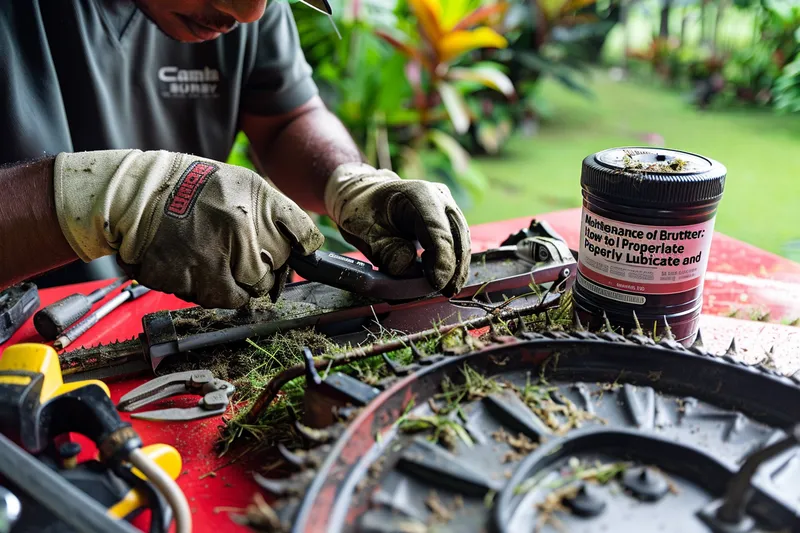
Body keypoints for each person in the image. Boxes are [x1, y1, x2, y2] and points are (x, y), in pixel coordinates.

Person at [0, 0, 471, 309]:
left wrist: (349, 181)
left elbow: (285, 118)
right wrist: (102, 197)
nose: (248, 12)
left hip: (161, 317)